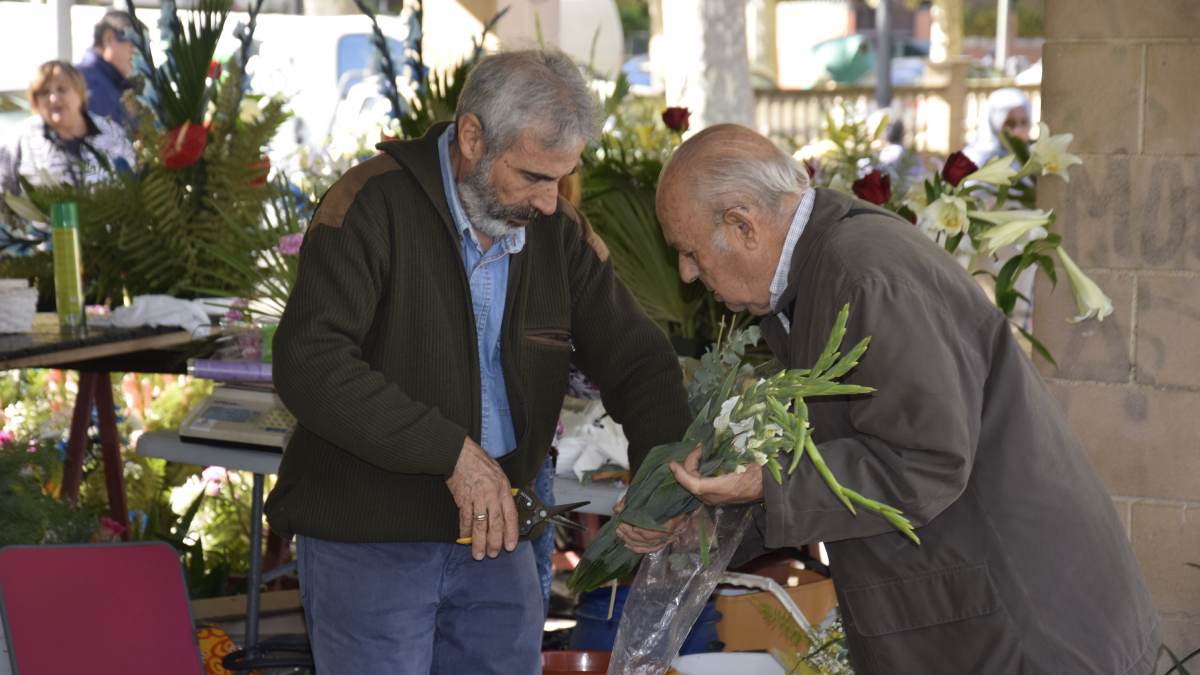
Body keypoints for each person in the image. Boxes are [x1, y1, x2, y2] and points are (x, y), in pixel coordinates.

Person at [621, 124, 1160, 674]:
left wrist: (765, 485)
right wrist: (702, 527)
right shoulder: (819, 274)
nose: (686, 273)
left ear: (743, 225)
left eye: (689, 252)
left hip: (1024, 630)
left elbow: (925, 459)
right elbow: (846, 456)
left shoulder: (864, 275)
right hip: (982, 617)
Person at [264, 49, 690, 675]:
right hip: (370, 539)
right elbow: (311, 363)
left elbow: (641, 362)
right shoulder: (371, 204)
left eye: (561, 178)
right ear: (471, 138)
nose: (550, 202)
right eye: (533, 176)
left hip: (501, 536)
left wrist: (661, 483)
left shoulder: (558, 232)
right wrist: (451, 454)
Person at [0, 60, 134, 198]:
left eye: (62, 89)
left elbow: (134, 186)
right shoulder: (17, 141)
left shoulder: (111, 133)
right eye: (44, 92)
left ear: (80, 93)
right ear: (35, 100)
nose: (53, 98)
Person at [77, 10, 137, 128]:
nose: (140, 54)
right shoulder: (90, 82)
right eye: (135, 44)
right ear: (108, 38)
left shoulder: (113, 81)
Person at [964, 87, 1032, 167]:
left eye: (1024, 122)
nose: (1018, 130)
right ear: (994, 124)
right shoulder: (974, 161)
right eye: (1010, 124)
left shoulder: (1031, 159)